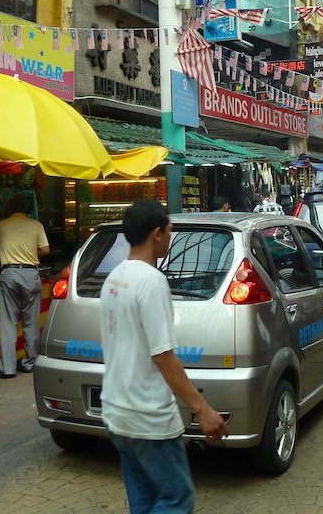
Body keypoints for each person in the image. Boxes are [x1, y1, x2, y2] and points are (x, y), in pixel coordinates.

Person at [101, 200, 228, 513]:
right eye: (169, 231)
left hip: (117, 413)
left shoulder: (114, 278)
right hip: (148, 417)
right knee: (176, 498)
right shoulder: (152, 281)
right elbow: (163, 357)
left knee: (144, 499)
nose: (170, 238)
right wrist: (202, 408)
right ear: (156, 233)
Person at [0, 193, 49, 379]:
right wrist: (30, 253)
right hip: (31, 273)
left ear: (8, 208)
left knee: (8, 322)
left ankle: (8, 368)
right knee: (31, 321)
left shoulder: (0, 225)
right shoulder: (36, 225)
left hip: (10, 273)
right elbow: (45, 249)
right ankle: (30, 363)